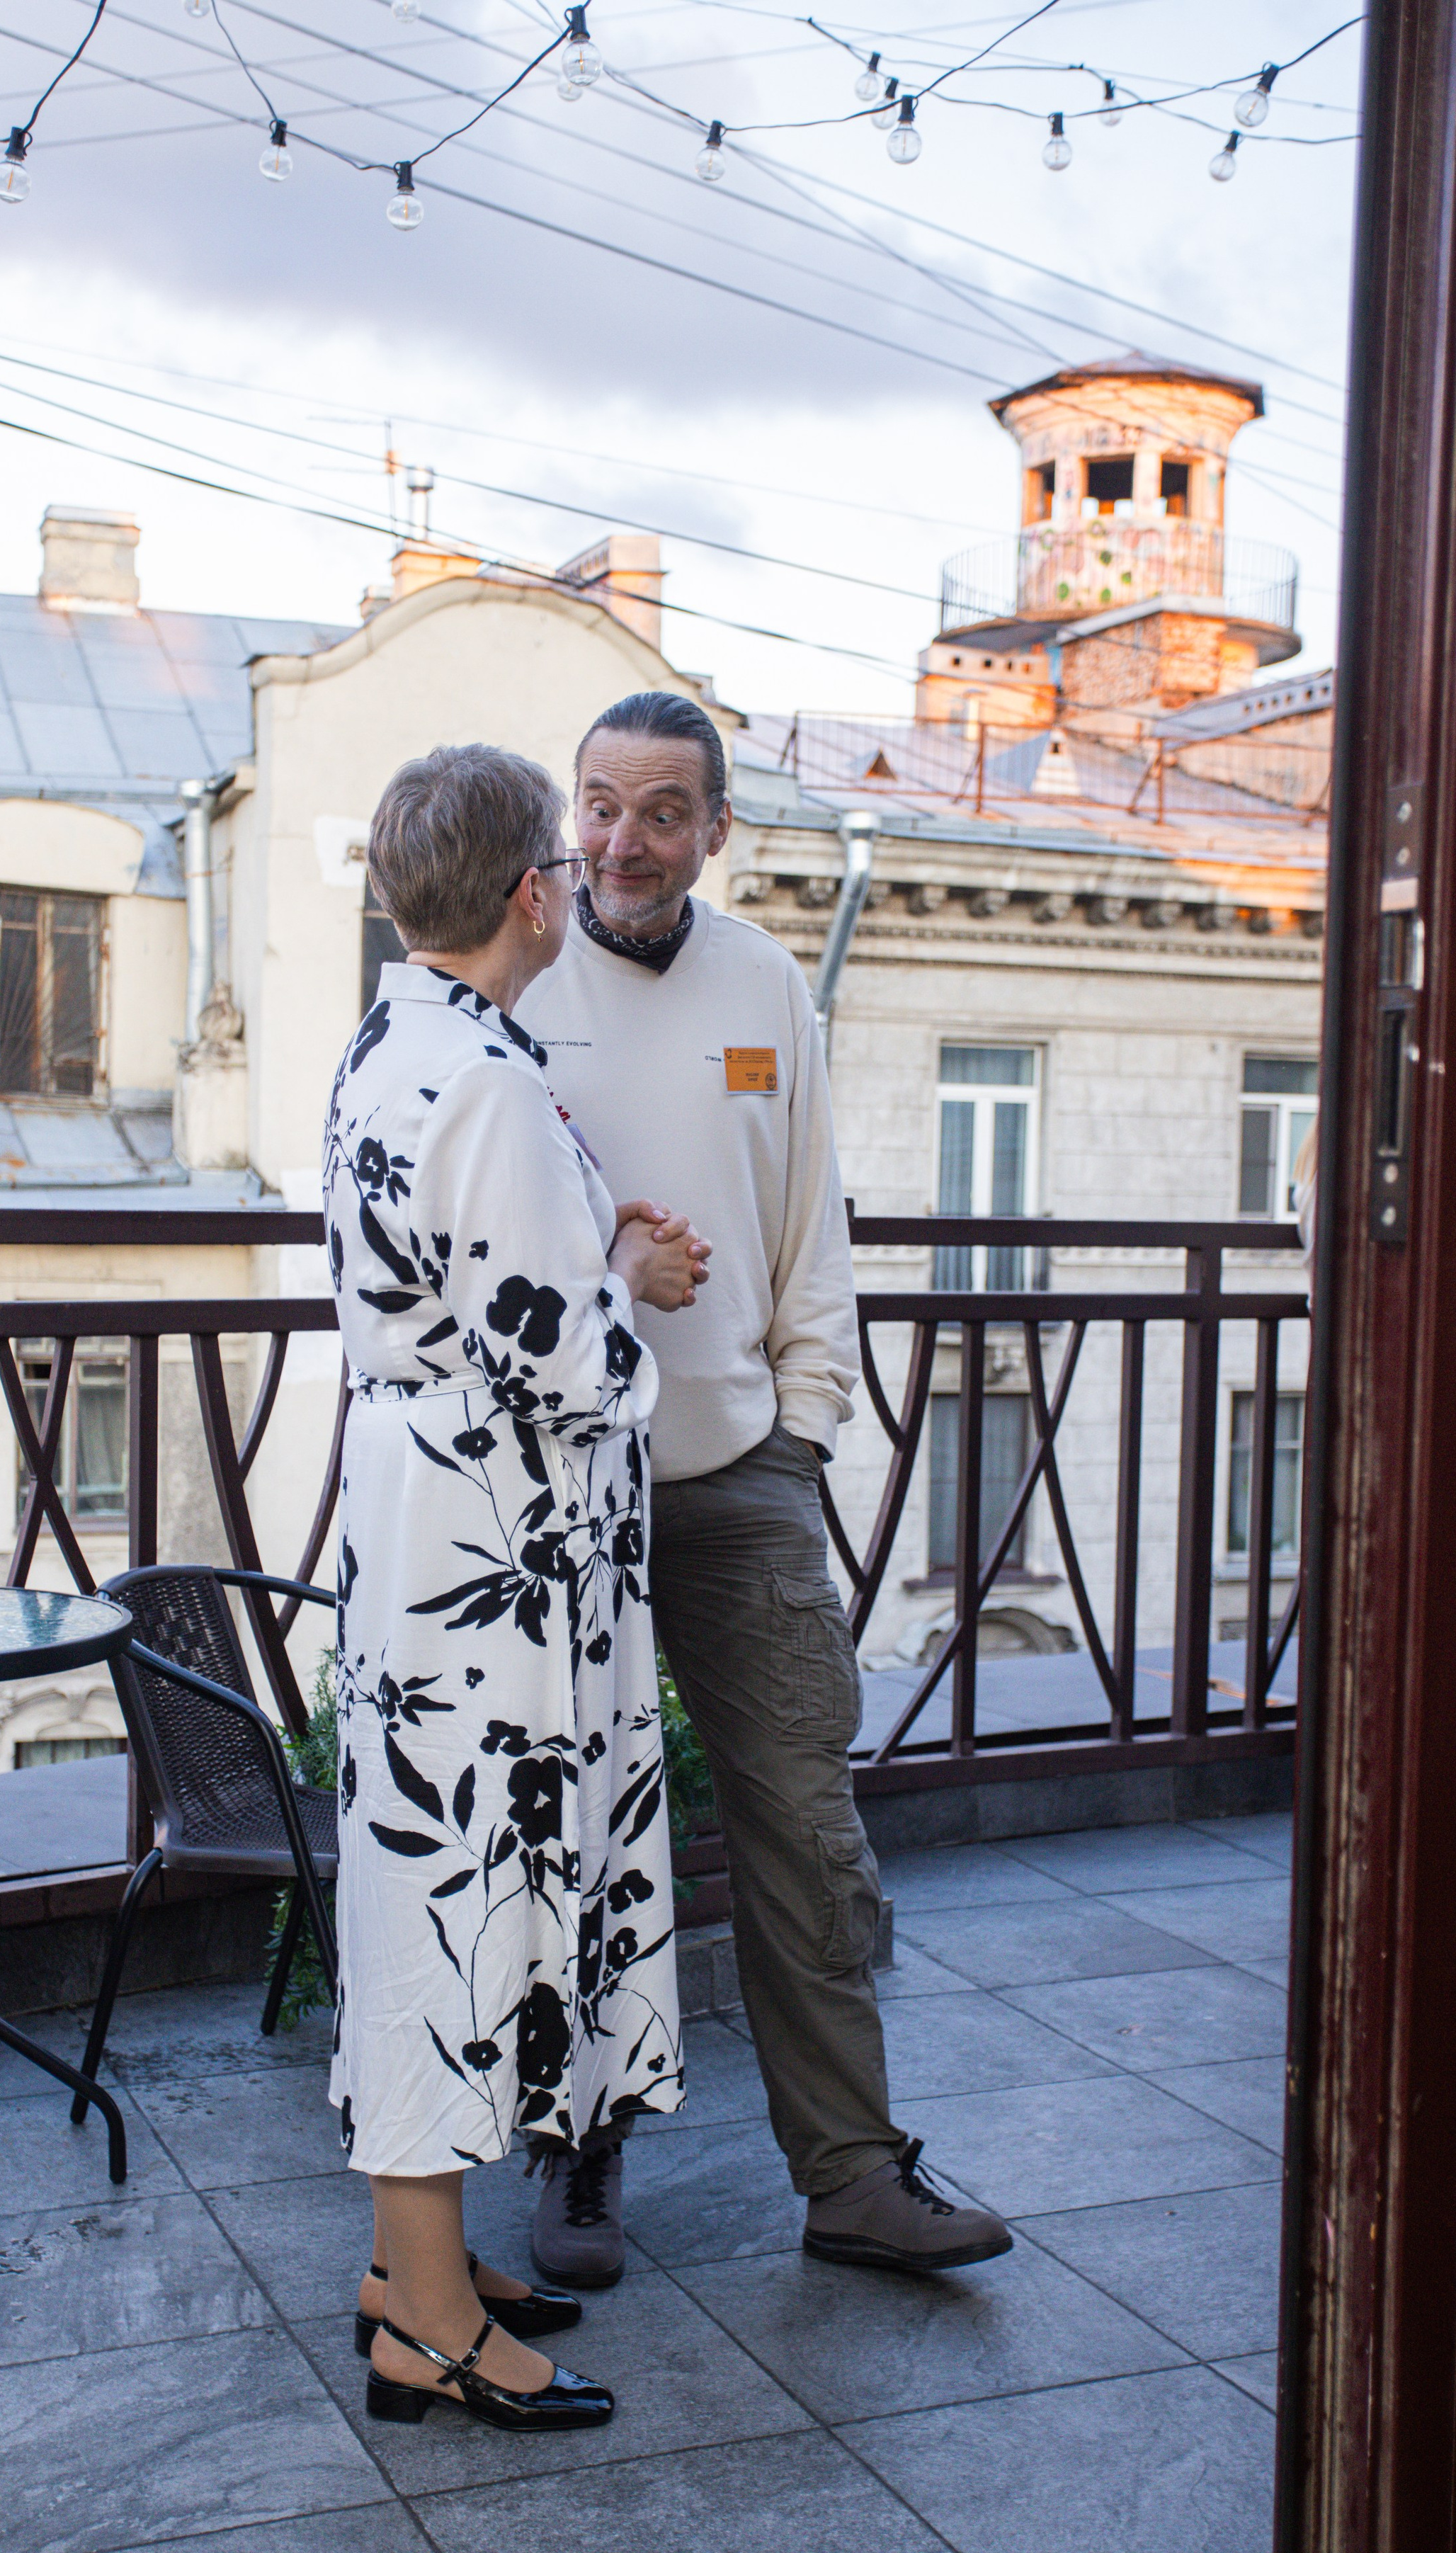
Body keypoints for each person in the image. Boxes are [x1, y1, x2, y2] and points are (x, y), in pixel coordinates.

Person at [515, 690, 1013, 2286]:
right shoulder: (512, 979)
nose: (621, 839)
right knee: (580, 1827)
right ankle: (578, 2160)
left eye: (661, 809)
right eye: (597, 803)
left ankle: (853, 2173)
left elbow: (812, 1229)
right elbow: (471, 1227)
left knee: (806, 1824)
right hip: (566, 1485)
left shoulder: (764, 983)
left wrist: (799, 1427)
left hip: (739, 1477)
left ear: (716, 827)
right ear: (565, 810)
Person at [322, 740, 709, 2432]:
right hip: (488, 1557)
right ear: (529, 891)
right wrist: (626, 1270)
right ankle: (424, 2315)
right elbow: (559, 1358)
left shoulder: (403, 1037)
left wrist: (574, 1251)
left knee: (446, 1876)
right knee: (451, 1888)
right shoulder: (476, 1072)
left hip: (439, 1538)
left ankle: (422, 2259)